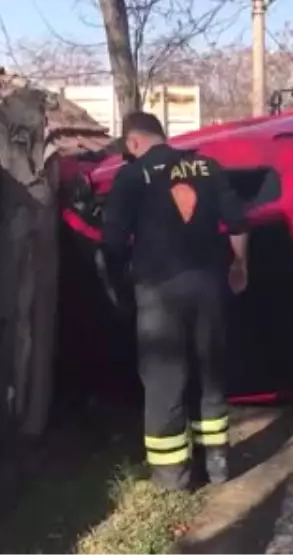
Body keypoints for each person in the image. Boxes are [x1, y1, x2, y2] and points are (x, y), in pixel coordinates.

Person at [101, 112, 250, 491]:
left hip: (157, 290)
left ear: (133, 143)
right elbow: (237, 222)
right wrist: (239, 265)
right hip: (208, 284)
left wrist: (117, 284)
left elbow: (113, 243)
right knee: (210, 371)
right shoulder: (207, 166)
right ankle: (217, 464)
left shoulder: (131, 176)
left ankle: (172, 477)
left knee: (165, 379)